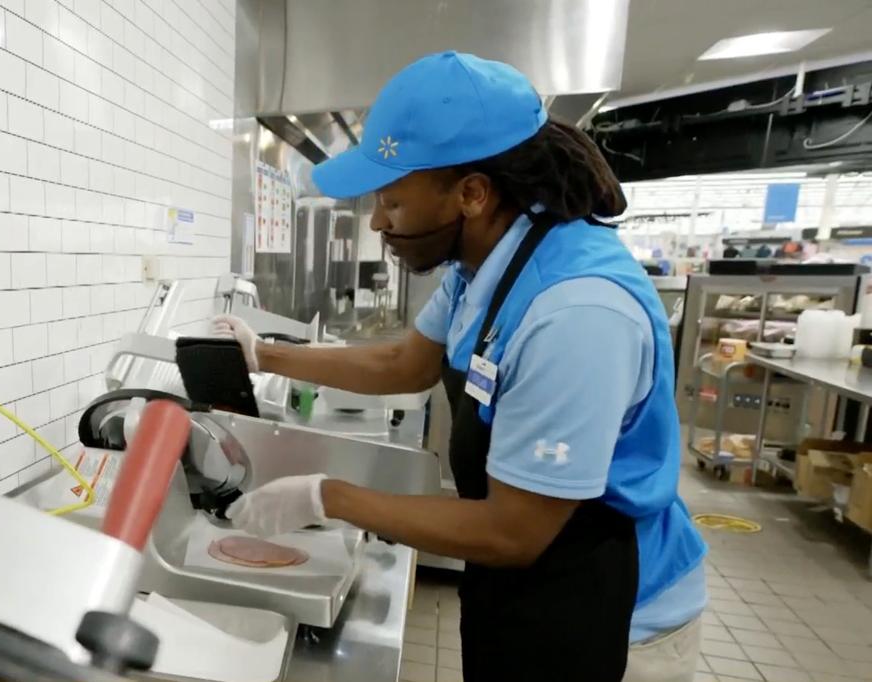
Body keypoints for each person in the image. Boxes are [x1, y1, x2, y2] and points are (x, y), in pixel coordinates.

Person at [213, 51, 707, 682]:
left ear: (472, 193)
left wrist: (326, 495)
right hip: (526, 586)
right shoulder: (483, 265)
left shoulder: (577, 314)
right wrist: (266, 354)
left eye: (392, 199)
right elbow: (406, 362)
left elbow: (511, 532)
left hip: (615, 618)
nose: (378, 221)